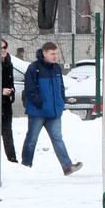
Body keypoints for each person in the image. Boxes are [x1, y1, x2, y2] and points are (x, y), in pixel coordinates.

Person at [22, 41, 83, 175]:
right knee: (32, 139)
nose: (55, 56)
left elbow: (60, 87)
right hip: (38, 111)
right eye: (52, 54)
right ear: (44, 53)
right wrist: (41, 104)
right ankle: (25, 166)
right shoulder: (34, 68)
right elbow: (30, 89)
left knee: (57, 138)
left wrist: (60, 101)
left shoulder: (56, 68)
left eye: (56, 53)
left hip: (54, 111)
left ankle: (67, 166)